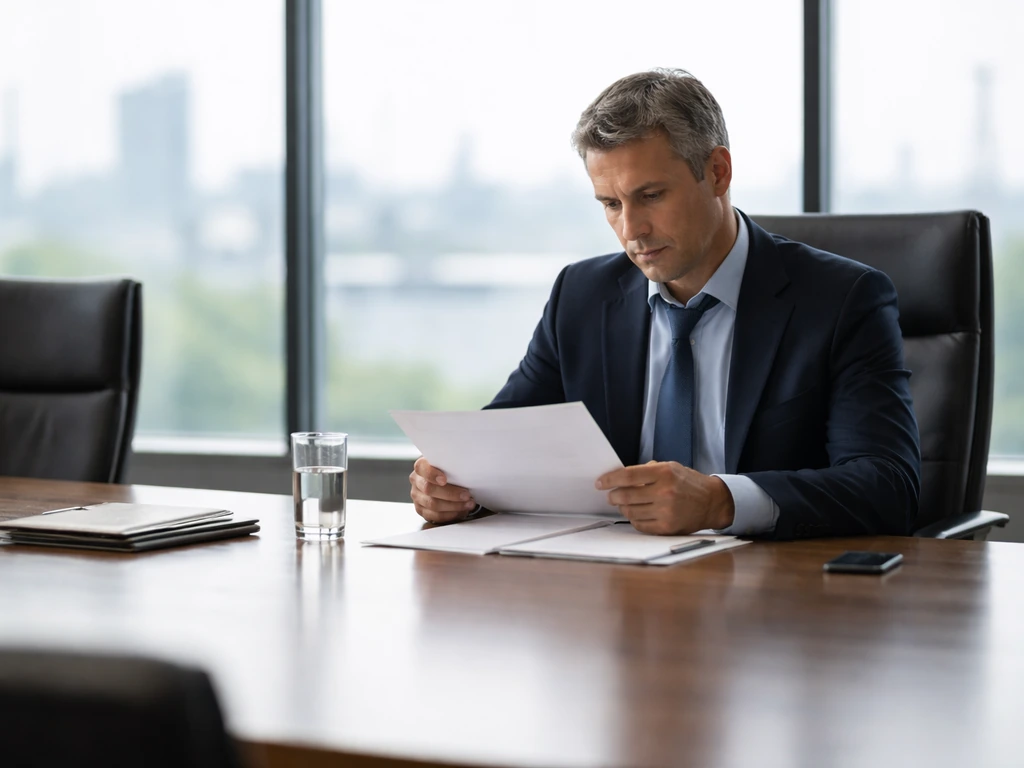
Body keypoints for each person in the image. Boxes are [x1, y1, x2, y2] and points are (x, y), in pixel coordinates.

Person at [409, 68, 921, 539]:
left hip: (775, 602)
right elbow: (500, 447)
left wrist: (721, 501)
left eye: (651, 195)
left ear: (717, 172)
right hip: (614, 594)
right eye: (611, 204)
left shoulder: (842, 300)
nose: (631, 231)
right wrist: (454, 488)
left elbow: (887, 485)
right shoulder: (581, 297)